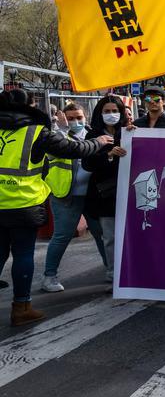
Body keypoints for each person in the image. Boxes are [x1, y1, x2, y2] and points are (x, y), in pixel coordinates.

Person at [0, 90, 111, 324]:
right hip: (23, 203)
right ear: (29, 107)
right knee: (22, 254)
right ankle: (21, 308)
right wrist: (99, 141)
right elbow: (76, 150)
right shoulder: (37, 133)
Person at [41, 103, 108, 293]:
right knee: (62, 236)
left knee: (101, 235)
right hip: (66, 196)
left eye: (79, 117)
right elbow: (60, 149)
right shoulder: (58, 137)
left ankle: (111, 270)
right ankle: (49, 276)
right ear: (63, 118)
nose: (76, 121)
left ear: (85, 115)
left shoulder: (93, 134)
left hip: (92, 195)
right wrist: (61, 129)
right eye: (70, 118)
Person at [82, 96, 130, 290]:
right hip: (105, 195)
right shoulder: (92, 135)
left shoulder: (129, 132)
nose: (111, 115)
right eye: (107, 111)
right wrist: (108, 154)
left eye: (115, 111)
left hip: (130, 192)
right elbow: (87, 163)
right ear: (100, 114)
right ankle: (113, 272)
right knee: (109, 236)